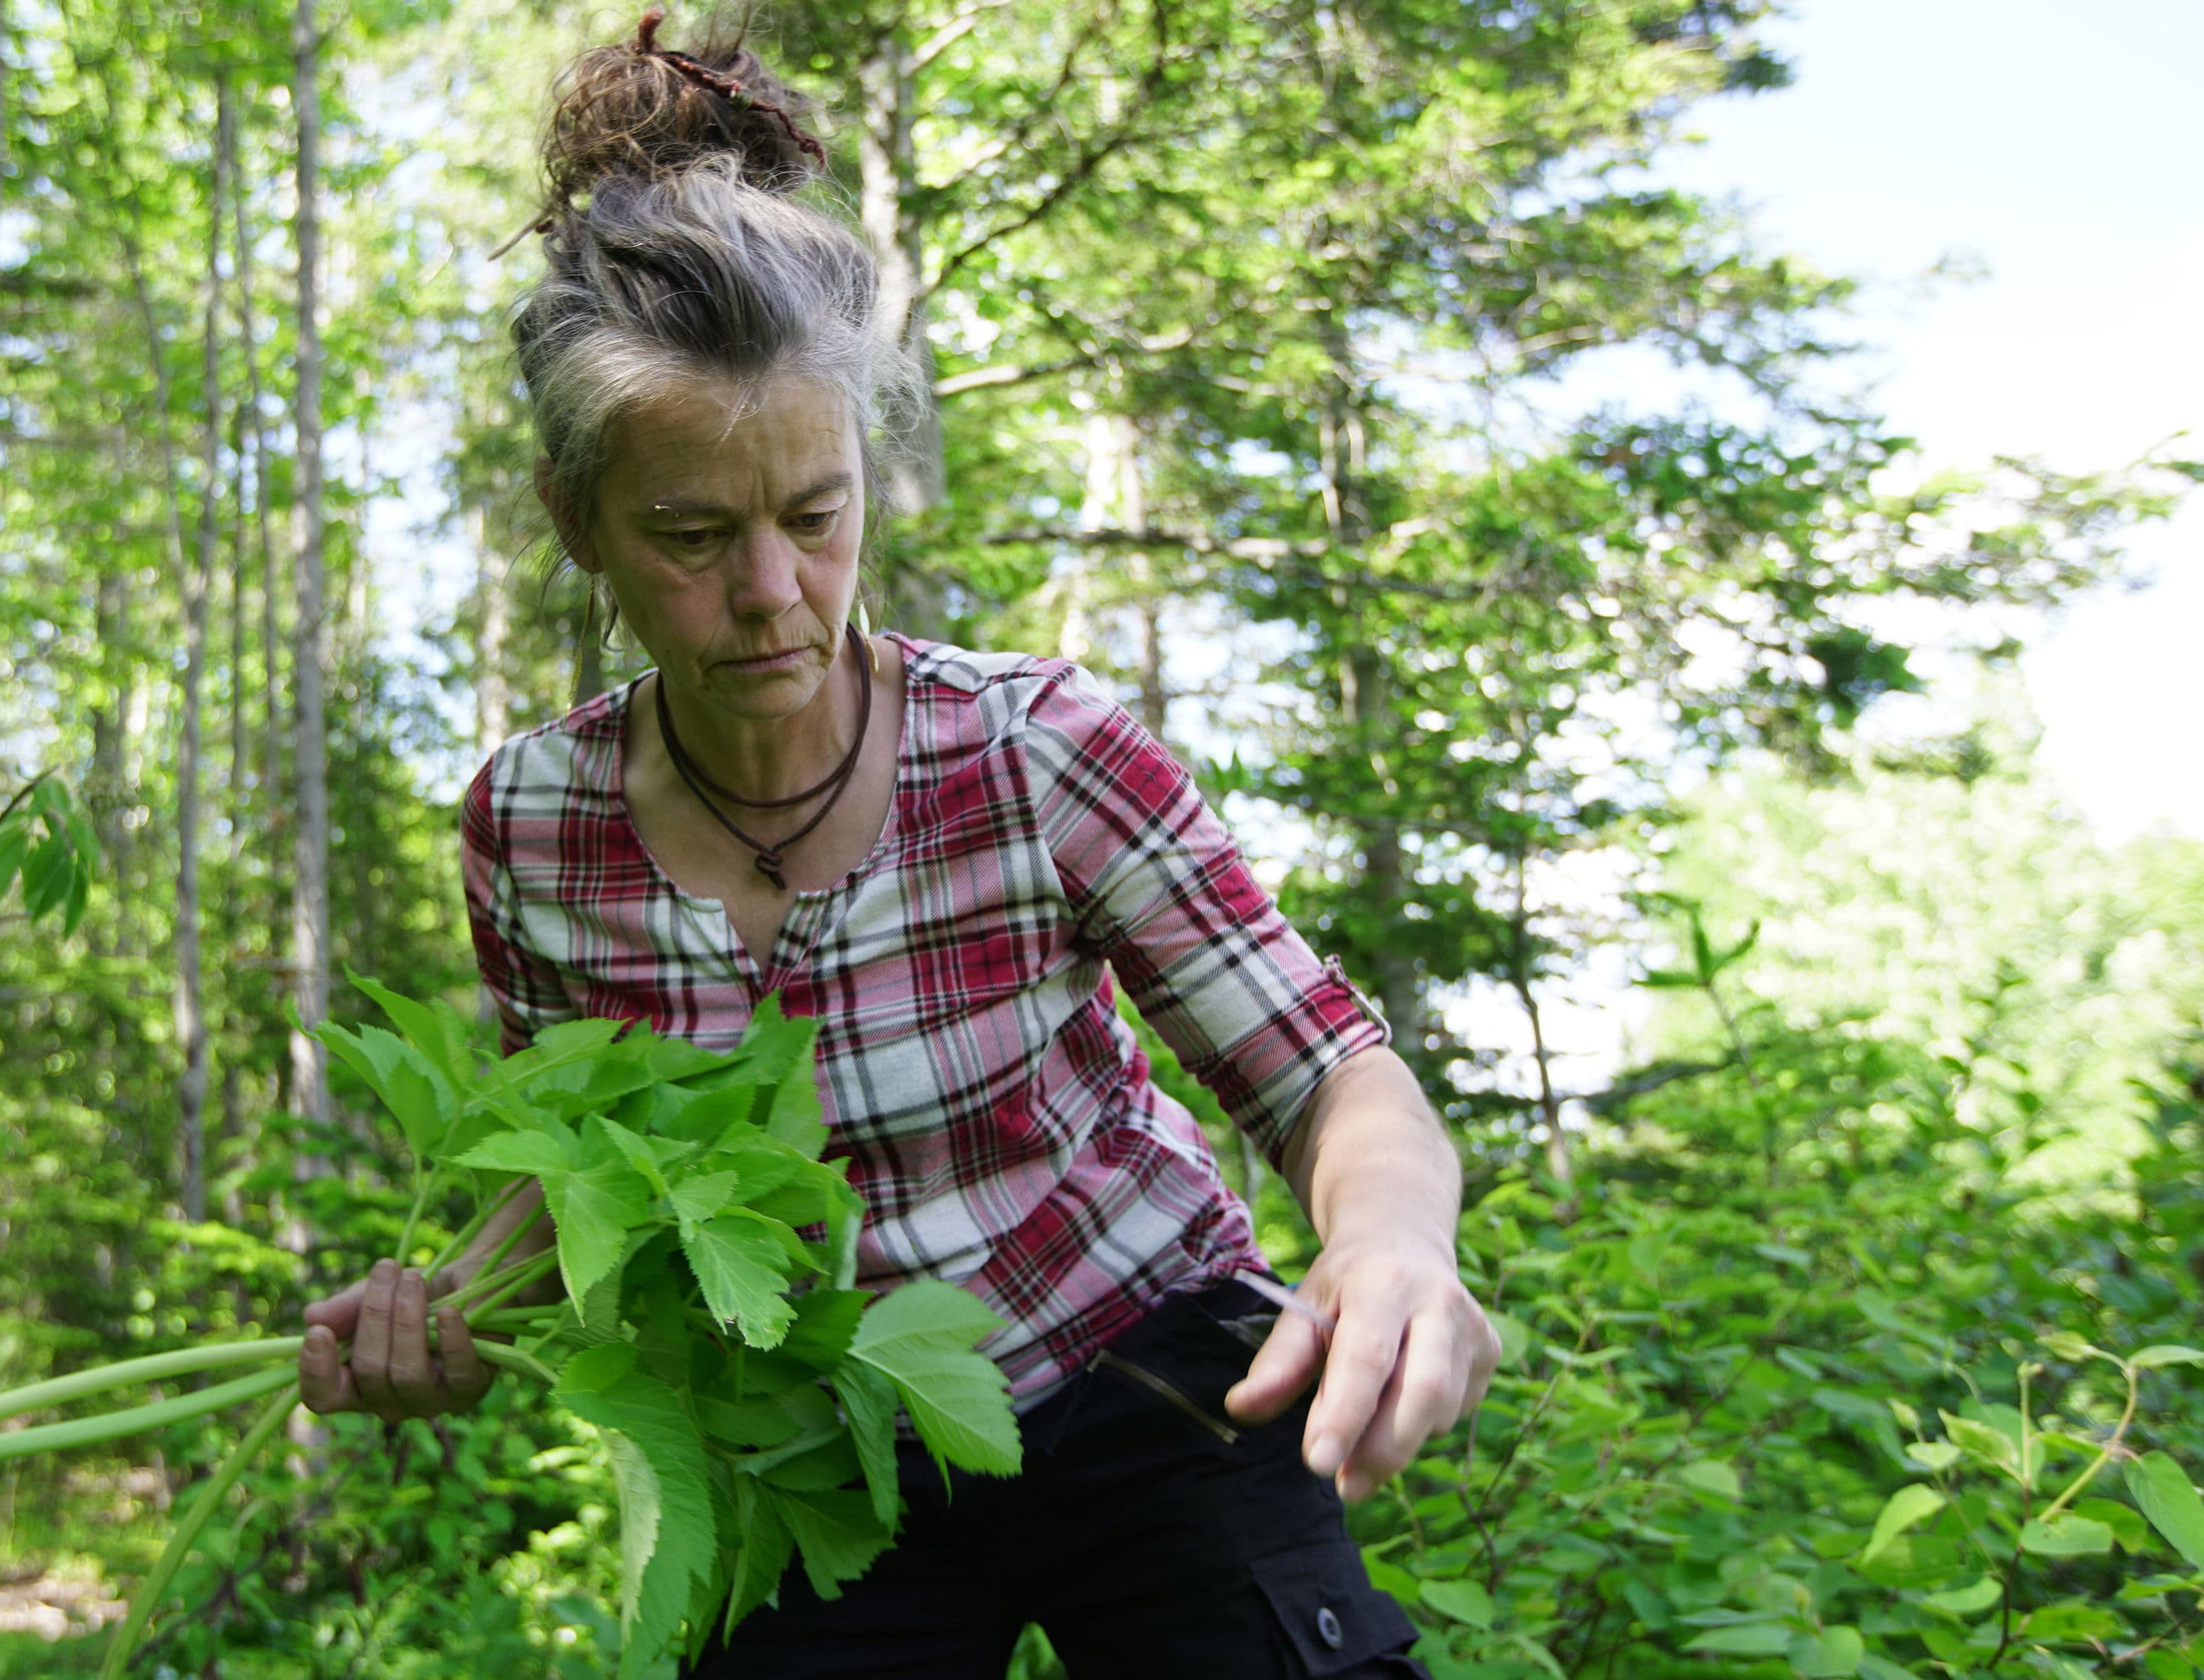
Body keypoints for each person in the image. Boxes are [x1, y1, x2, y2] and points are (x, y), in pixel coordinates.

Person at [293, 14, 1501, 1676]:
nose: (774, 595)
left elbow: (1327, 1073)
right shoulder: (533, 829)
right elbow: (578, 1177)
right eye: (695, 536)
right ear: (583, 527)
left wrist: (1387, 1241)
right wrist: (446, 1306)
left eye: (817, 513)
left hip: (1142, 1358)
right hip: (816, 1447)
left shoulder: (1036, 752)